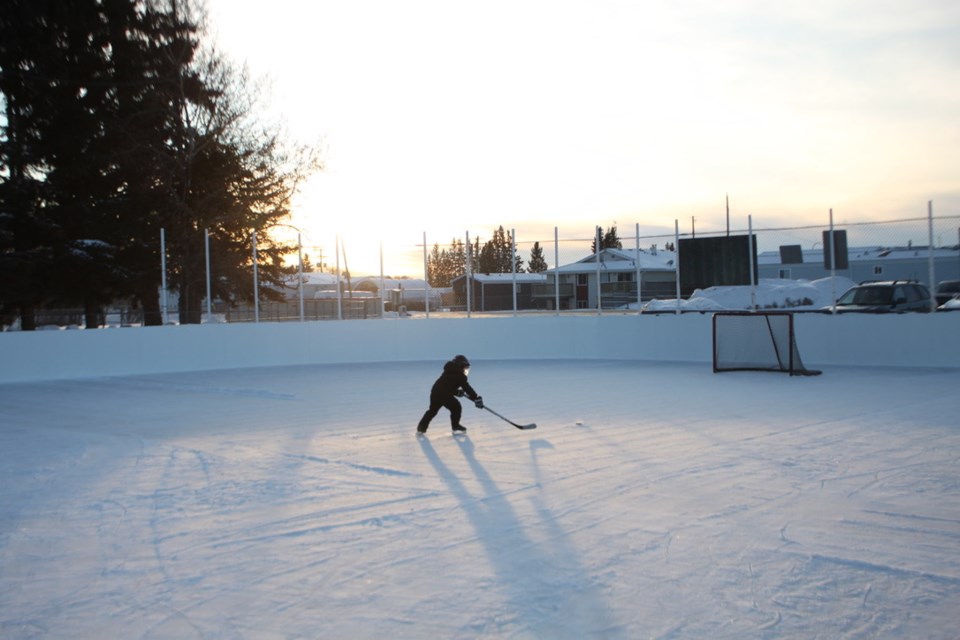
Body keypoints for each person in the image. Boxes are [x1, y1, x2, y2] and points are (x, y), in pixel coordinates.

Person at [417, 355, 483, 434]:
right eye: (465, 368)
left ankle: (421, 427)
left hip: (435, 392)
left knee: (432, 411)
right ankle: (455, 426)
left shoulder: (450, 370)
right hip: (444, 394)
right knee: (456, 407)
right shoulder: (459, 374)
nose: (465, 370)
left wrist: (456, 392)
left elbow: (447, 385)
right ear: (460, 365)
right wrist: (476, 398)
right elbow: (467, 387)